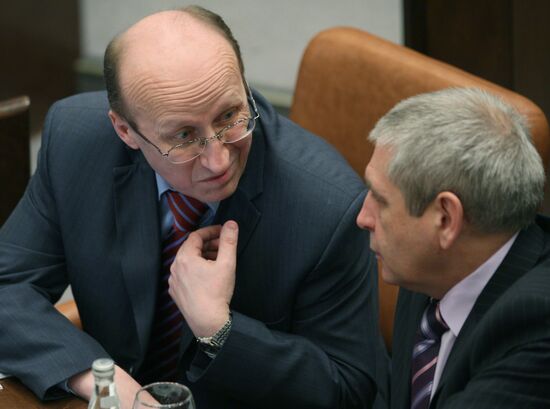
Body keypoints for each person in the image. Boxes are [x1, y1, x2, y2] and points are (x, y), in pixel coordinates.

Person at [0, 5, 386, 409]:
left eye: (230, 115)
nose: (219, 161)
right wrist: (104, 380)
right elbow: (7, 286)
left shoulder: (328, 208)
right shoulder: (76, 141)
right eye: (184, 136)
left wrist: (220, 330)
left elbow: (349, 391)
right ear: (125, 130)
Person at [356, 87, 550, 409]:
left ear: (445, 219)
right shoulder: (427, 267)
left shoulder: (535, 327)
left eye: (381, 200)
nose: (363, 218)